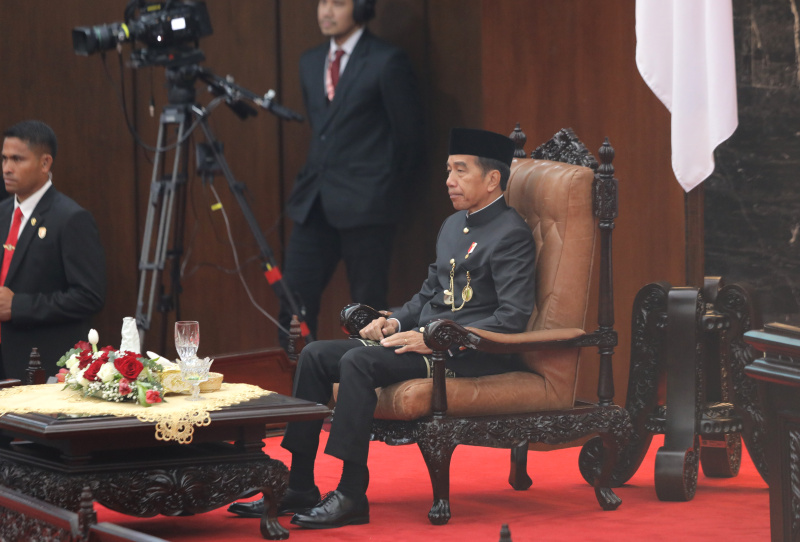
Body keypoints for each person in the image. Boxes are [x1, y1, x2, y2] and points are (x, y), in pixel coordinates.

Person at [229, 128, 536, 528]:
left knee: (358, 363)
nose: (449, 180)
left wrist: (432, 338)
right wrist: (392, 320)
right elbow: (427, 294)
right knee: (316, 355)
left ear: (493, 179)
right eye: (448, 170)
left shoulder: (511, 234)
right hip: (422, 341)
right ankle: (299, 484)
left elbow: (512, 317)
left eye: (460, 171)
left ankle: (352, 493)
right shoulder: (451, 226)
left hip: (466, 355)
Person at [278, 0, 423, 345]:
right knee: (292, 303)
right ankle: (299, 389)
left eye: (338, 3)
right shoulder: (310, 60)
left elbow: (411, 139)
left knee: (366, 308)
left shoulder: (387, 60)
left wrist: (382, 190)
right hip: (315, 201)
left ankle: (364, 391)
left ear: (360, 8)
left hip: (367, 205)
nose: (326, 11)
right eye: (322, 2)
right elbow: (323, 129)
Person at [0, 120, 106, 379]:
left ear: (45, 163)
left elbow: (89, 296)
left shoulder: (70, 218)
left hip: (38, 365)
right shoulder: (2, 213)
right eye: (4, 159)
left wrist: (19, 306)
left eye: (17, 159)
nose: (7, 168)